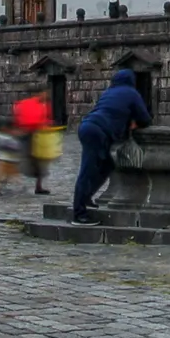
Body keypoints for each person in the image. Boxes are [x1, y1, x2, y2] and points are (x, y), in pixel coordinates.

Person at [69, 68, 150, 224]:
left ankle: (86, 198)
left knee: (106, 165)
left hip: (89, 127)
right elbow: (145, 117)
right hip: (96, 132)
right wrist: (134, 122)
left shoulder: (108, 92)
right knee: (87, 171)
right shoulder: (131, 93)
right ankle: (78, 214)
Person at [14, 89, 57, 195]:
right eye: (44, 93)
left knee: (41, 161)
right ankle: (3, 181)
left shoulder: (45, 105)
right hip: (29, 135)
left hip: (40, 135)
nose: (46, 95)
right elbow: (24, 118)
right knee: (26, 160)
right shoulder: (28, 104)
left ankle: (39, 187)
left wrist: (47, 124)